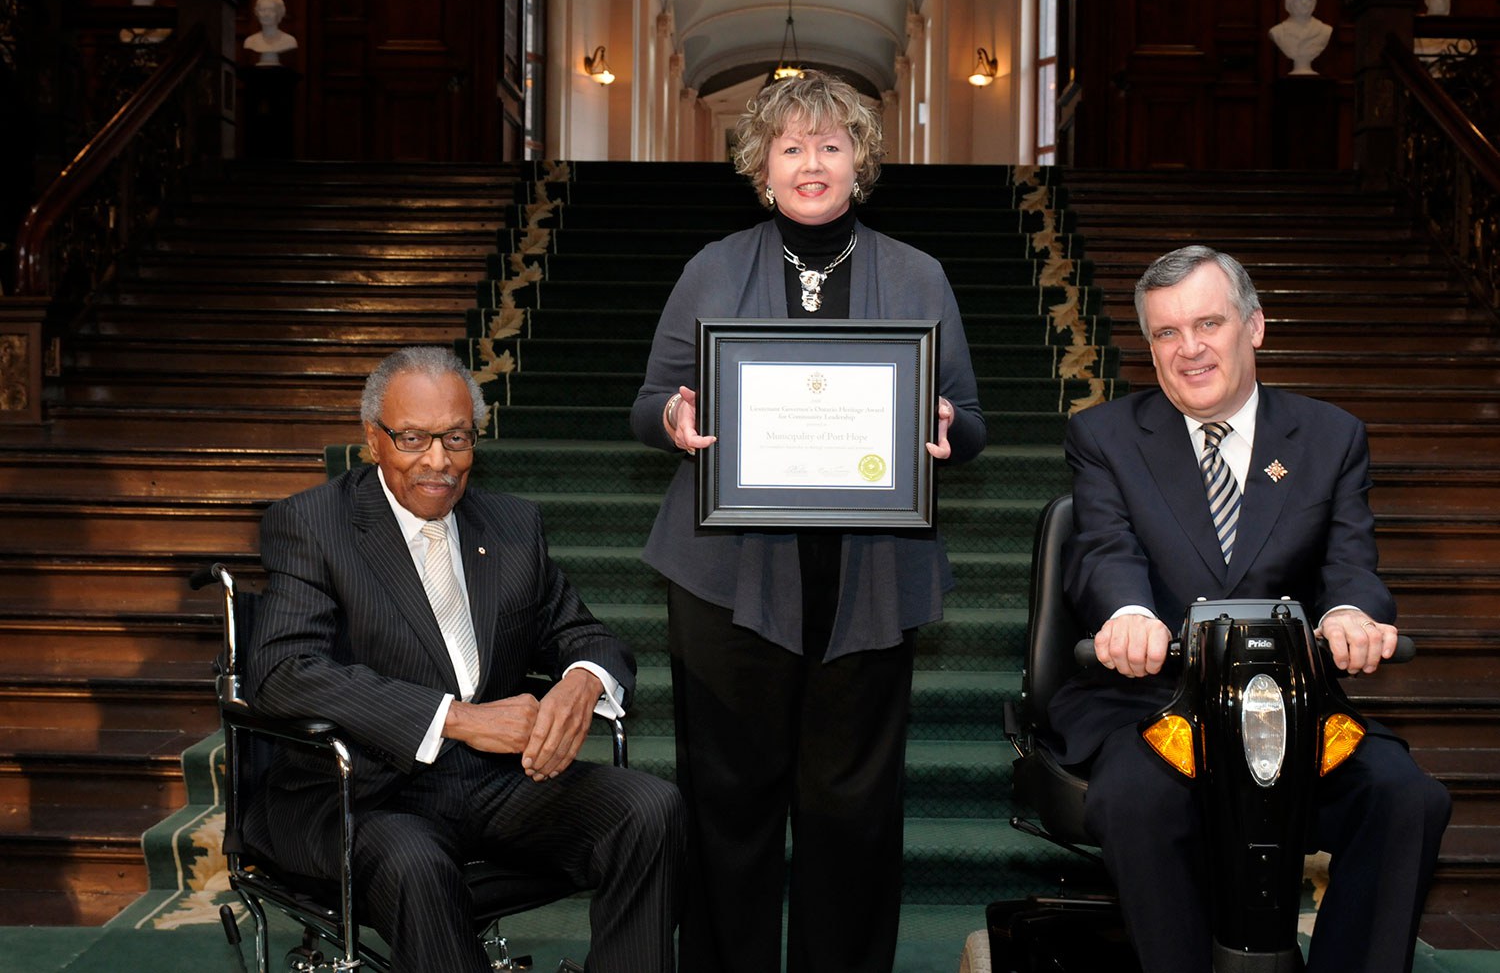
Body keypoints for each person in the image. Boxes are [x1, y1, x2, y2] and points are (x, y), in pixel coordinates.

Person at [630, 71, 984, 973]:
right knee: (729, 801)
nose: (812, 163)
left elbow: (968, 418)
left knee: (851, 810)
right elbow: (648, 404)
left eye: (831, 145)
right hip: (726, 576)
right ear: (762, 166)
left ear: (859, 159)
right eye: (791, 147)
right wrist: (675, 421)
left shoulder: (918, 272)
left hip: (869, 575)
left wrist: (945, 428)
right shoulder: (712, 265)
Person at [1045, 246, 1451, 973]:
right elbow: (1105, 548)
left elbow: (1350, 565)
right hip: (1155, 704)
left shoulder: (1330, 438)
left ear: (1255, 327)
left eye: (1209, 323)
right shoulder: (1105, 437)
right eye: (1167, 333)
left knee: (1404, 799)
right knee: (1138, 801)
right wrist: (1129, 614)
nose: (1190, 349)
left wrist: (1350, 614)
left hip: (1290, 714)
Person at [247, 346, 683, 973]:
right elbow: (282, 672)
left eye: (455, 438)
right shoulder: (314, 524)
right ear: (374, 440)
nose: (438, 461)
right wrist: (454, 718)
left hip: (490, 783)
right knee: (417, 864)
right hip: (362, 793)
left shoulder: (510, 525)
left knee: (649, 810)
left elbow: (588, 636)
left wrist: (582, 683)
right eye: (413, 438)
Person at [1269, 0, 1332, 75]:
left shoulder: (1324, 30)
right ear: (1290, 2)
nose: (1304, 3)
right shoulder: (1278, 31)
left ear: (1314, 2)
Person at [244, 0, 298, 65]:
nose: (266, 14)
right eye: (262, 10)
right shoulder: (250, 41)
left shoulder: (289, 41)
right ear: (257, 13)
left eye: (271, 10)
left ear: (278, 13)